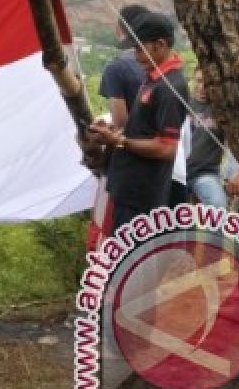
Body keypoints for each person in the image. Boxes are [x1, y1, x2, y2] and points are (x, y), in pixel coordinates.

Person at [88, 12, 189, 232]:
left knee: (132, 261)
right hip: (128, 188)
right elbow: (142, 129)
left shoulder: (170, 88)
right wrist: (112, 132)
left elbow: (166, 148)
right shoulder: (153, 79)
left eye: (139, 49)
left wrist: (121, 141)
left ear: (159, 45)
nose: (135, 56)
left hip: (142, 198)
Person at [183, 68, 229, 209]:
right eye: (199, 81)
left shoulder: (222, 109)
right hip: (178, 173)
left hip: (204, 172)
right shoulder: (181, 103)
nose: (202, 87)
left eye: (208, 83)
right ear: (192, 80)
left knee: (218, 205)